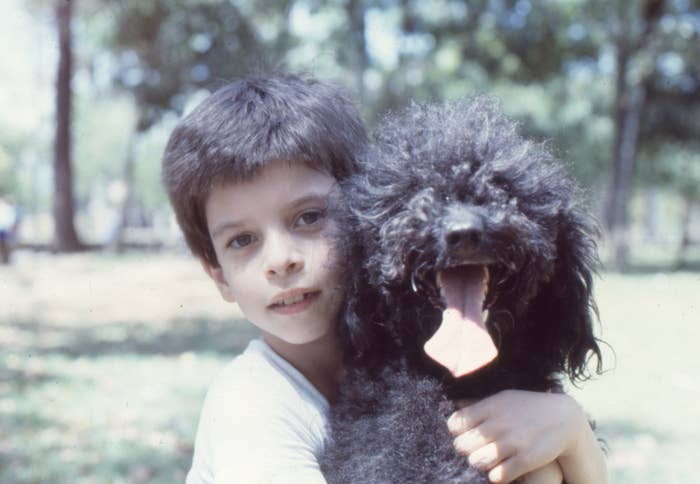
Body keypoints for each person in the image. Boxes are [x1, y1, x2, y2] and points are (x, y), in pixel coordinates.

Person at [161, 73, 608, 483]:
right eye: (242, 240)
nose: (281, 260)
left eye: (310, 217)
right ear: (216, 273)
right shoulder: (251, 407)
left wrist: (573, 434)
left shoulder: (406, 368)